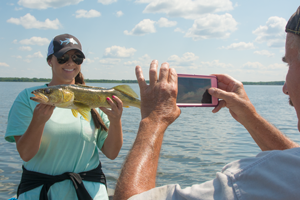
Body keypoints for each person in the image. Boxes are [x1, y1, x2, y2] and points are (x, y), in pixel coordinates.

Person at [113, 6, 300, 200]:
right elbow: (293, 162)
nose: (285, 88)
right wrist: (250, 117)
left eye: (288, 63)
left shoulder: (252, 183)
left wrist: (154, 119)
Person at [5, 33, 123, 200]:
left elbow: (112, 153)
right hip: (41, 193)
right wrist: (38, 122)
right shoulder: (28, 97)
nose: (70, 63)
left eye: (77, 58)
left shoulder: (94, 97)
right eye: (62, 57)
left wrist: (116, 121)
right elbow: (25, 154)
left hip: (89, 192)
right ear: (49, 61)